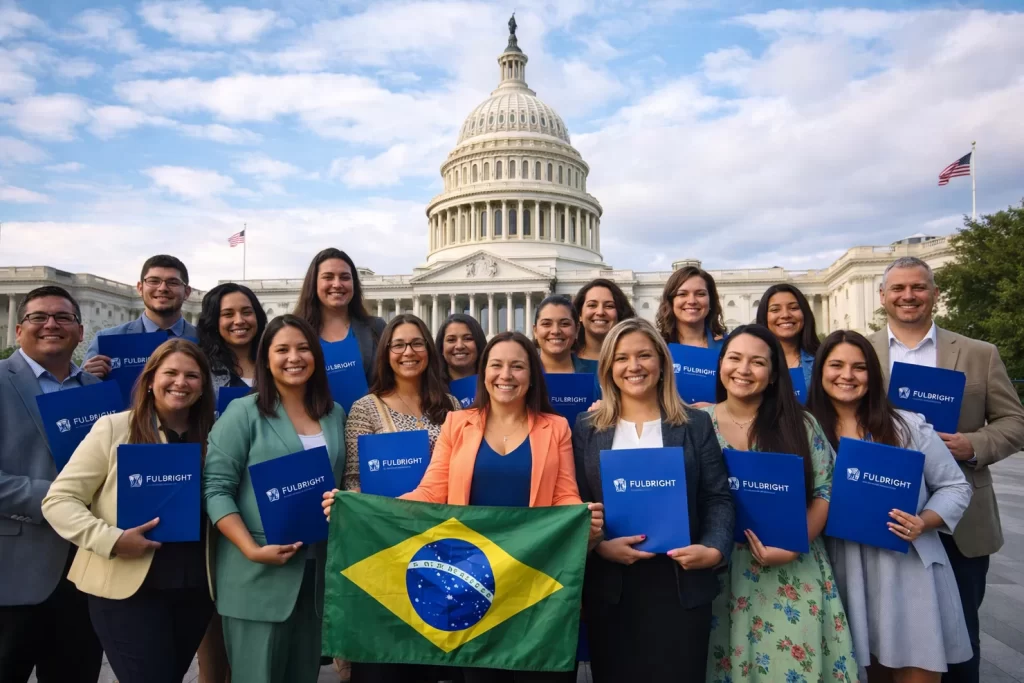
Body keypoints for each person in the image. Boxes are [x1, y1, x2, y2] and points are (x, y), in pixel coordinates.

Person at [325, 331, 603, 683]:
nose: (506, 375)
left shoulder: (556, 427)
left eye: (517, 366)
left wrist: (584, 518)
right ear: (484, 373)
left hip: (532, 583)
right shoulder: (457, 424)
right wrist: (358, 509)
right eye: (497, 365)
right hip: (473, 584)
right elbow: (430, 493)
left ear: (532, 375)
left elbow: (564, 496)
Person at [867, 256, 1024, 683]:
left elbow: (1015, 421)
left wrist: (974, 444)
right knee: (892, 639)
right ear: (883, 297)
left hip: (962, 519)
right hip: (888, 514)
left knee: (961, 640)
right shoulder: (862, 355)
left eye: (918, 287)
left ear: (935, 294)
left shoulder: (978, 353)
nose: (908, 296)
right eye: (898, 289)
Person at [42, 338, 215, 683]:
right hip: (127, 589)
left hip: (194, 589)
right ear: (150, 379)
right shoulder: (114, 428)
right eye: (171, 373)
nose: (180, 383)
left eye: (192, 376)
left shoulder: (215, 434)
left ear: (203, 386)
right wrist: (113, 539)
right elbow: (58, 501)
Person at [572, 318, 734, 682]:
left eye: (645, 355)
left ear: (662, 363)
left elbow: (717, 497)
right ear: (609, 367)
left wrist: (714, 549)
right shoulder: (587, 427)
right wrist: (598, 546)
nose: (634, 366)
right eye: (622, 358)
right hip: (614, 587)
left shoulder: (694, 424)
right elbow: (579, 501)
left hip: (680, 583)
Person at [808, 330, 972, 682]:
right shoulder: (804, 430)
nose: (847, 376)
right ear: (820, 371)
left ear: (874, 374)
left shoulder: (907, 425)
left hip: (906, 566)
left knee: (918, 670)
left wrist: (924, 521)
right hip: (843, 566)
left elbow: (955, 486)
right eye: (836, 365)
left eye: (859, 367)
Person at [702, 324, 857, 683]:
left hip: (793, 568)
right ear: (721, 363)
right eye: (734, 358)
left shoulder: (799, 423)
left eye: (757, 362)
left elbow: (826, 488)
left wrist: (793, 543)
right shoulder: (697, 424)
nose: (743, 369)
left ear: (773, 375)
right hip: (721, 572)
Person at [204, 315, 345, 683]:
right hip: (258, 572)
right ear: (266, 358)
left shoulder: (334, 415)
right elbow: (216, 488)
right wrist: (250, 548)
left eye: (303, 348)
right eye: (282, 349)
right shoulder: (243, 413)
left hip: (316, 576)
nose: (293, 357)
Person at [0, 286, 104, 683]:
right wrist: (60, 501)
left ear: (80, 332)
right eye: (38, 317)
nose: (50, 325)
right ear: (18, 330)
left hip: (84, 573)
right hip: (13, 569)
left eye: (63, 318)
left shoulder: (99, 394)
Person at [83, 254, 196, 378]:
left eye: (173, 282)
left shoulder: (206, 341)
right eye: (154, 281)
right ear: (140, 288)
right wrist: (86, 378)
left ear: (187, 292)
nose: (163, 288)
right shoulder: (106, 339)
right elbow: (84, 394)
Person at [293, 248, 386, 384]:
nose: (337, 284)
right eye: (328, 277)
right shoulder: (296, 332)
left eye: (345, 277)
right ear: (314, 283)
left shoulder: (376, 328)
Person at [198, 282, 268, 389]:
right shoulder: (200, 367)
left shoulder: (273, 362)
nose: (239, 321)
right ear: (213, 321)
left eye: (247, 312)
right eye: (228, 314)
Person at [755, 283, 820, 387]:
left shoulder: (822, 360)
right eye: (775, 310)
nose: (785, 315)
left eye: (793, 308)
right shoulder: (752, 363)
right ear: (764, 317)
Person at [655, 265, 726, 353]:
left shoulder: (728, 346)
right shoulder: (656, 347)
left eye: (700, 294)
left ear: (711, 300)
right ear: (670, 301)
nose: (692, 301)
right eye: (682, 294)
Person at [572, 279, 635, 374]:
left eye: (609, 306)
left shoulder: (634, 362)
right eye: (592, 305)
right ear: (580, 314)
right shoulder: (566, 361)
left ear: (619, 313)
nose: (600, 312)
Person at [533, 294, 590, 374]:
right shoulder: (525, 374)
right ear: (535, 331)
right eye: (546, 324)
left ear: (577, 330)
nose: (555, 331)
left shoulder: (598, 374)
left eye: (564, 324)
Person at [436, 313, 487, 384]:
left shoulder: (494, 387)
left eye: (468, 338)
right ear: (441, 348)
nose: (459, 346)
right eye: (451, 340)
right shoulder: (428, 390)